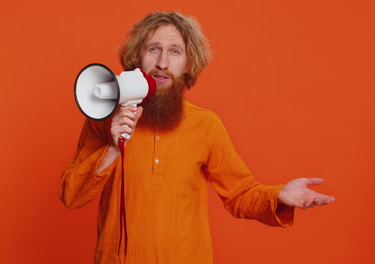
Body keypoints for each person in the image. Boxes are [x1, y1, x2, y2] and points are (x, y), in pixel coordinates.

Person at [60, 11, 335, 264]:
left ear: (189, 63)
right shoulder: (105, 119)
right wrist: (112, 148)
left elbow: (240, 194)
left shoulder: (206, 125)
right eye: (154, 49)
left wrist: (278, 197)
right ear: (136, 58)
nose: (162, 63)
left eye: (175, 51)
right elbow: (71, 196)